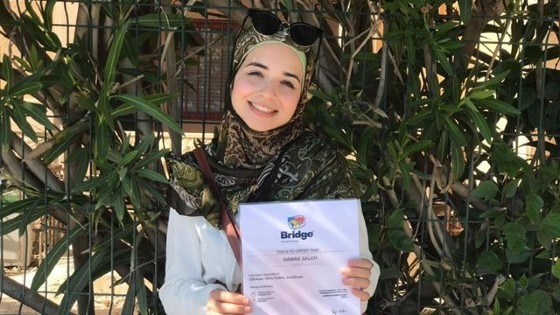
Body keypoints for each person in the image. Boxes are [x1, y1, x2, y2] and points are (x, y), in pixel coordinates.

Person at [159, 8, 380, 315]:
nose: (268, 93)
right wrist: (206, 301)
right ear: (234, 77)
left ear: (302, 95)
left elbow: (358, 282)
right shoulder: (195, 175)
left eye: (288, 83)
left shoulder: (325, 167)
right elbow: (175, 288)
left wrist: (366, 278)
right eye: (256, 73)